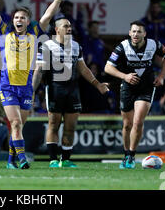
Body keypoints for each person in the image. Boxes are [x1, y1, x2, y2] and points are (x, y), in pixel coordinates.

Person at [0, 0, 69, 169]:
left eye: (23, 17)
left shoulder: (35, 31)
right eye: (17, 17)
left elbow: (48, 14)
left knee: (19, 127)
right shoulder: (5, 31)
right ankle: (22, 159)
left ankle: (11, 161)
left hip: (26, 87)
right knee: (16, 124)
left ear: (28, 21)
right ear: (14, 19)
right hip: (8, 86)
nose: (19, 20)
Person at [32, 16, 109, 168]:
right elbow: (39, 70)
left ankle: (65, 159)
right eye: (66, 26)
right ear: (57, 29)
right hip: (54, 88)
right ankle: (53, 159)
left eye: (70, 26)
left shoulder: (75, 46)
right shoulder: (46, 46)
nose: (69, 29)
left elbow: (83, 68)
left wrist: (97, 84)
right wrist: (31, 91)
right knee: (53, 124)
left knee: (70, 126)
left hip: (73, 90)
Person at [104, 20, 165, 169]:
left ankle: (131, 156)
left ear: (144, 34)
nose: (136, 34)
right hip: (127, 87)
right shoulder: (122, 46)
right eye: (133, 31)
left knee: (138, 121)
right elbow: (108, 67)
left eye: (139, 31)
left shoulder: (153, 44)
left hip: (146, 87)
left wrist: (161, 76)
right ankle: (126, 153)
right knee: (127, 124)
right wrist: (125, 76)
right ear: (130, 33)